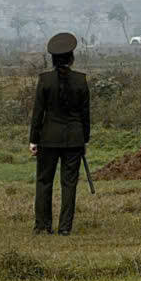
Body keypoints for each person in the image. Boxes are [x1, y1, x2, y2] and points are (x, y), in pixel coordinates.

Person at [29, 32, 90, 235]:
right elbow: (85, 114)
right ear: (72, 58)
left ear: (53, 59)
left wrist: (33, 140)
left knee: (44, 182)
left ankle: (42, 225)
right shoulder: (81, 80)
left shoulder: (44, 80)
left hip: (48, 138)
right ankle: (65, 228)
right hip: (74, 139)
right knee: (69, 184)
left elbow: (38, 113)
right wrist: (85, 139)